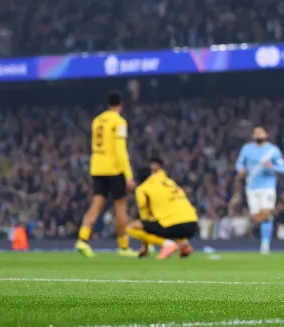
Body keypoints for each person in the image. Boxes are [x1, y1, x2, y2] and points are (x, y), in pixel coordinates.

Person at [75, 91, 136, 258]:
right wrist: (128, 174)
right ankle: (123, 246)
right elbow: (120, 150)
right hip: (114, 168)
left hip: (97, 167)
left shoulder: (97, 121)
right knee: (120, 208)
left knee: (96, 204)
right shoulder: (119, 122)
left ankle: (82, 238)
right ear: (121, 105)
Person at [127, 158, 198, 260]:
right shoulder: (168, 181)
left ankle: (167, 244)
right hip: (193, 224)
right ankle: (184, 245)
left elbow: (145, 219)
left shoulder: (142, 188)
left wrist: (145, 247)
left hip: (174, 225)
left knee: (131, 227)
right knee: (171, 216)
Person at [236, 125, 284, 254]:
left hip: (268, 187)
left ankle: (265, 245)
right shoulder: (247, 149)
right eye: (256, 133)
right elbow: (239, 163)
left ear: (266, 134)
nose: (258, 135)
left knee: (266, 214)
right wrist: (241, 170)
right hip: (252, 187)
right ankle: (255, 232)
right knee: (256, 216)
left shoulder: (273, 150)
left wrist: (272, 167)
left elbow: (283, 168)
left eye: (261, 132)